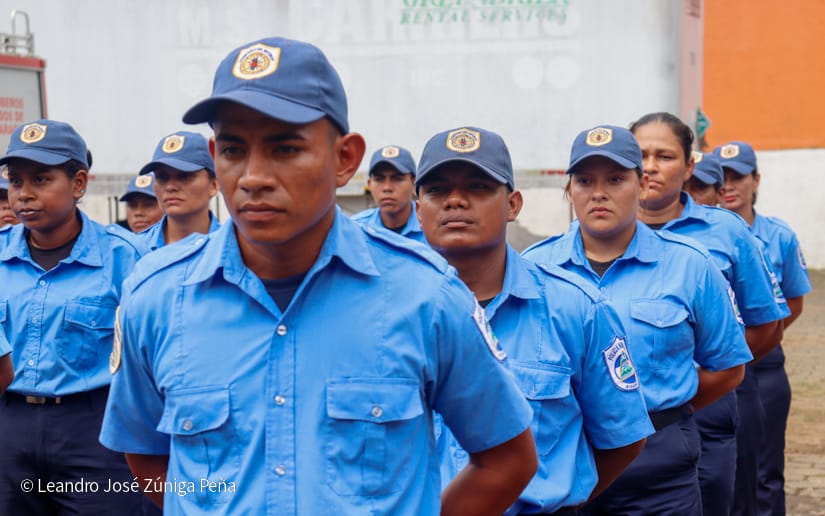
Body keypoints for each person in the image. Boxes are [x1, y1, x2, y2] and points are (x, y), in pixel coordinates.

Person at [99, 37, 538, 515]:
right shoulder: (157, 298)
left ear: (345, 159)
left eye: (285, 148)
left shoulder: (423, 296)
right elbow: (144, 451)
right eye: (232, 149)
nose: (253, 177)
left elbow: (506, 459)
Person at [415, 125, 653, 515]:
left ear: (512, 205)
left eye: (478, 187)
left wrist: (559, 500)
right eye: (437, 190)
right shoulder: (386, 314)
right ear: (418, 208)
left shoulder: (575, 308)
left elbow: (623, 438)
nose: (455, 201)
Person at [523, 125, 751, 515]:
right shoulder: (535, 269)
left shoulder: (689, 265)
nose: (599, 192)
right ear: (569, 190)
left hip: (659, 470)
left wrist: (663, 407)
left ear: (642, 184)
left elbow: (729, 368)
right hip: (565, 465)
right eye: (584, 180)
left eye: (615, 179)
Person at [629, 113, 789, 516]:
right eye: (640, 155)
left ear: (688, 168)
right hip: (625, 414)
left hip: (709, 407)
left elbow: (766, 325)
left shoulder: (727, 232)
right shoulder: (603, 233)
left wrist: (702, 382)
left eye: (664, 156)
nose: (649, 166)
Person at [0, 119, 147, 514]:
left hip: (93, 433)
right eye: (15, 181)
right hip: (8, 428)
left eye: (41, 180)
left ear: (79, 183)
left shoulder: (125, 258)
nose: (23, 195)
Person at [716, 140, 812, 516]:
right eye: (720, 177)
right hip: (715, 371)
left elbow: (795, 302)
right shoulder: (700, 235)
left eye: (737, 176)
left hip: (764, 364)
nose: (728, 186)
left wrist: (758, 340)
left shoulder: (779, 236)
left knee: (766, 470)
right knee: (724, 469)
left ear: (756, 180)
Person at [138, 131, 220, 249]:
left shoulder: (235, 249)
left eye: (184, 176)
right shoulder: (135, 250)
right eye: (162, 177)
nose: (170, 187)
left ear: (214, 185)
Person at [351, 145, 427, 243]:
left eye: (397, 179)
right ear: (369, 184)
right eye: (379, 179)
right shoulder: (356, 229)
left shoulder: (431, 227)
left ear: (413, 183)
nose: (387, 188)